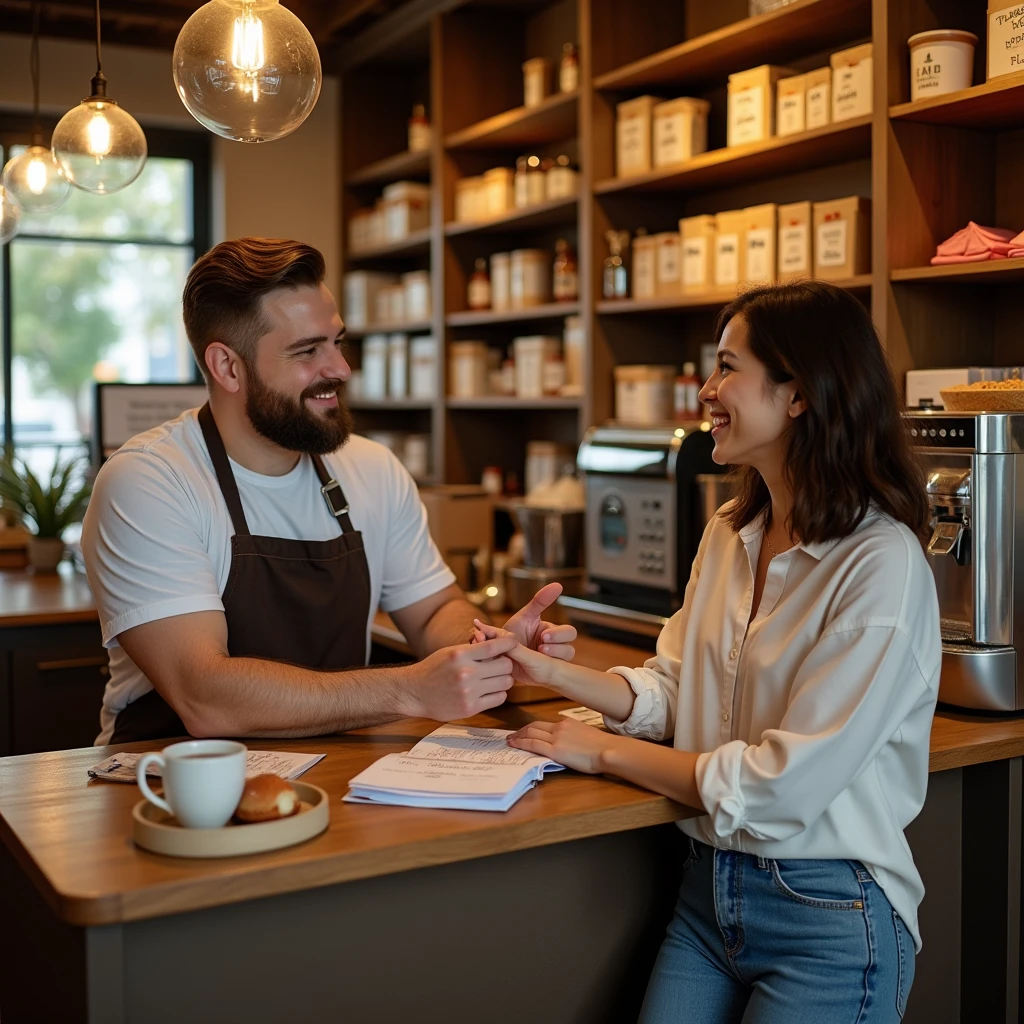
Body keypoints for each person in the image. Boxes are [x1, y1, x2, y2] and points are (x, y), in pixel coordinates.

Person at [477, 281, 941, 1022]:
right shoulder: (731, 530)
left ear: (799, 394)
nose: (705, 390)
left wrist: (599, 752)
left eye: (727, 368)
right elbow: (678, 688)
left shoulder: (878, 566)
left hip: (827, 912)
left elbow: (782, 786)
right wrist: (552, 674)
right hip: (709, 896)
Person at [82, 237, 575, 745]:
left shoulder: (372, 468)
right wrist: (409, 690)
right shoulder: (149, 481)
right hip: (169, 787)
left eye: (337, 341)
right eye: (307, 351)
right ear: (227, 366)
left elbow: (432, 611)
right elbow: (206, 697)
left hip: (341, 773)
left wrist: (486, 649)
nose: (340, 368)